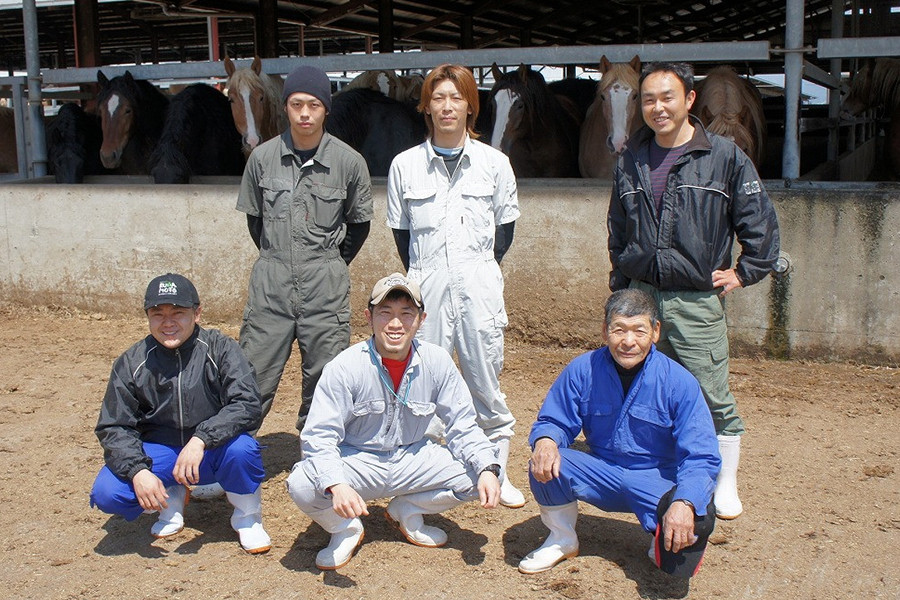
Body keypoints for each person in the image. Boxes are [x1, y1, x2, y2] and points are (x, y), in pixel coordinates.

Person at [607, 61, 780, 519]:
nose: (657, 107)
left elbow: (759, 221)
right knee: (646, 387)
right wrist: (621, 286)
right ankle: (665, 471)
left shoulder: (723, 157)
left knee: (710, 390)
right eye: (648, 99)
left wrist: (746, 271)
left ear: (689, 101)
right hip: (643, 294)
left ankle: (725, 481)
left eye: (667, 97)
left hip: (695, 299)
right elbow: (617, 229)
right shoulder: (629, 159)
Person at [286, 273, 502, 570]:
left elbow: (463, 425)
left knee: (486, 471)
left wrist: (488, 469)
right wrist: (336, 484)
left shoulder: (437, 361)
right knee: (302, 483)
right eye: (385, 313)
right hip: (358, 461)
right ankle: (344, 529)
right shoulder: (344, 368)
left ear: (421, 319)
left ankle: (408, 509)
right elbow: (319, 436)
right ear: (368, 317)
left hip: (413, 456)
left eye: (406, 313)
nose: (395, 323)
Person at [386, 63, 525, 508]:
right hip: (426, 288)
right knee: (422, 381)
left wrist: (472, 271)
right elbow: (402, 237)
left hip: (479, 283)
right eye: (438, 98)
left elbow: (504, 234)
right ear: (426, 106)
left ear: (470, 105)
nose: (447, 107)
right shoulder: (404, 166)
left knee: (485, 378)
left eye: (456, 97)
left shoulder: (495, 164)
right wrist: (433, 275)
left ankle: (497, 472)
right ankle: (427, 475)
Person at [519, 289, 720, 577]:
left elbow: (701, 456)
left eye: (639, 330)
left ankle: (662, 532)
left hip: (656, 478)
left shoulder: (680, 382)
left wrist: (685, 502)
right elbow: (554, 419)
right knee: (547, 459)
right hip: (601, 470)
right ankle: (562, 538)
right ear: (604, 331)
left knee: (678, 566)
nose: (628, 341)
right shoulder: (582, 369)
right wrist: (547, 440)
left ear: (655, 331)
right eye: (619, 330)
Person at [89, 273, 271, 554]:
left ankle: (247, 517)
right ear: (148, 316)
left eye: (179, 312)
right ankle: (171, 494)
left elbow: (247, 404)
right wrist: (138, 471)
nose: (168, 321)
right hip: (161, 452)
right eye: (157, 313)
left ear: (197, 314)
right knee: (108, 493)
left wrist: (201, 439)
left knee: (242, 450)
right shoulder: (132, 362)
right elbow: (114, 426)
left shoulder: (221, 349)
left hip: (210, 450)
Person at [236, 64, 373, 435]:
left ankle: (318, 457)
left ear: (326, 108)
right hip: (271, 286)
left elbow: (359, 225)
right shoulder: (262, 160)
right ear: (285, 108)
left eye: (314, 104)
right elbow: (256, 223)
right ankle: (231, 458)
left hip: (324, 289)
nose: (305, 113)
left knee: (326, 379)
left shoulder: (349, 162)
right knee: (251, 374)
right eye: (297, 104)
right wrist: (279, 257)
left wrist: (327, 262)